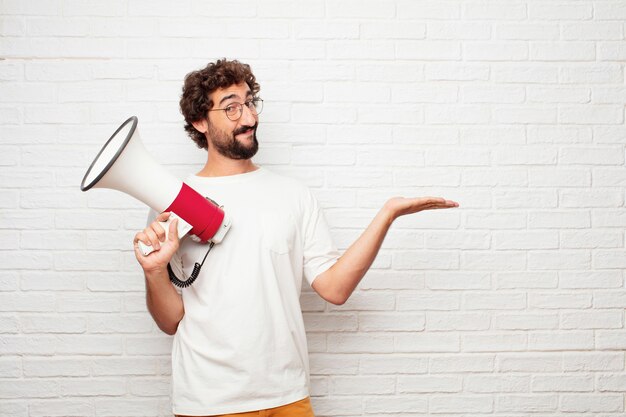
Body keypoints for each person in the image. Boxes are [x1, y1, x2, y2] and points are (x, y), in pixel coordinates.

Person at [133, 59, 459, 417]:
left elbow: (334, 289)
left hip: (287, 397)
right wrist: (154, 271)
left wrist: (387, 214)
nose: (249, 118)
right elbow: (169, 321)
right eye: (231, 108)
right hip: (207, 401)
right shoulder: (173, 203)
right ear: (199, 121)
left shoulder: (293, 195)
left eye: (250, 103)